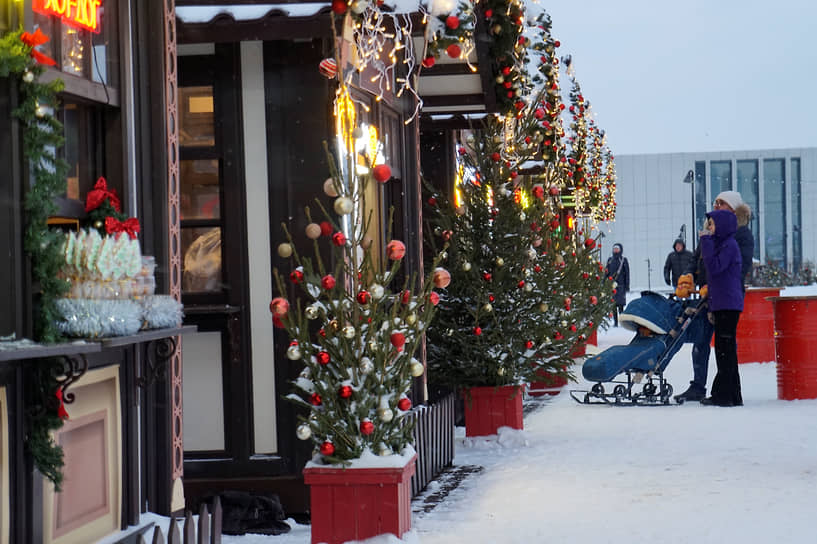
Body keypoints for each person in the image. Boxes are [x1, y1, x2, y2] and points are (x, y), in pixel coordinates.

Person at [675, 191, 754, 402]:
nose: (717, 205)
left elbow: (732, 266)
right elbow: (698, 258)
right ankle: (700, 385)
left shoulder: (738, 236)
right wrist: (689, 275)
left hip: (724, 295)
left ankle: (726, 390)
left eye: (722, 203)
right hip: (708, 295)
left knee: (724, 345)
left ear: (733, 208)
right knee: (703, 341)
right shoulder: (712, 232)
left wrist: (713, 284)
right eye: (715, 202)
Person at [698, 209, 744, 406]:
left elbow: (715, 267)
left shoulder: (729, 245)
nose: (709, 228)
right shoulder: (723, 244)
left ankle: (724, 395)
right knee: (725, 350)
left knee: (724, 351)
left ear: (722, 226)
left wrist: (706, 243)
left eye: (712, 224)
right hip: (723, 303)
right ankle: (731, 394)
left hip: (728, 304)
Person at [605, 243, 629, 326]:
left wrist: (627, 285)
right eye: (614, 248)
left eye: (617, 249)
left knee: (621, 305)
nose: (615, 250)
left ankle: (622, 321)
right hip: (612, 286)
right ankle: (615, 322)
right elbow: (606, 272)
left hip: (621, 286)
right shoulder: (610, 260)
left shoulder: (623, 260)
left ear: (620, 250)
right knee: (613, 305)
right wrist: (604, 282)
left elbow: (627, 274)